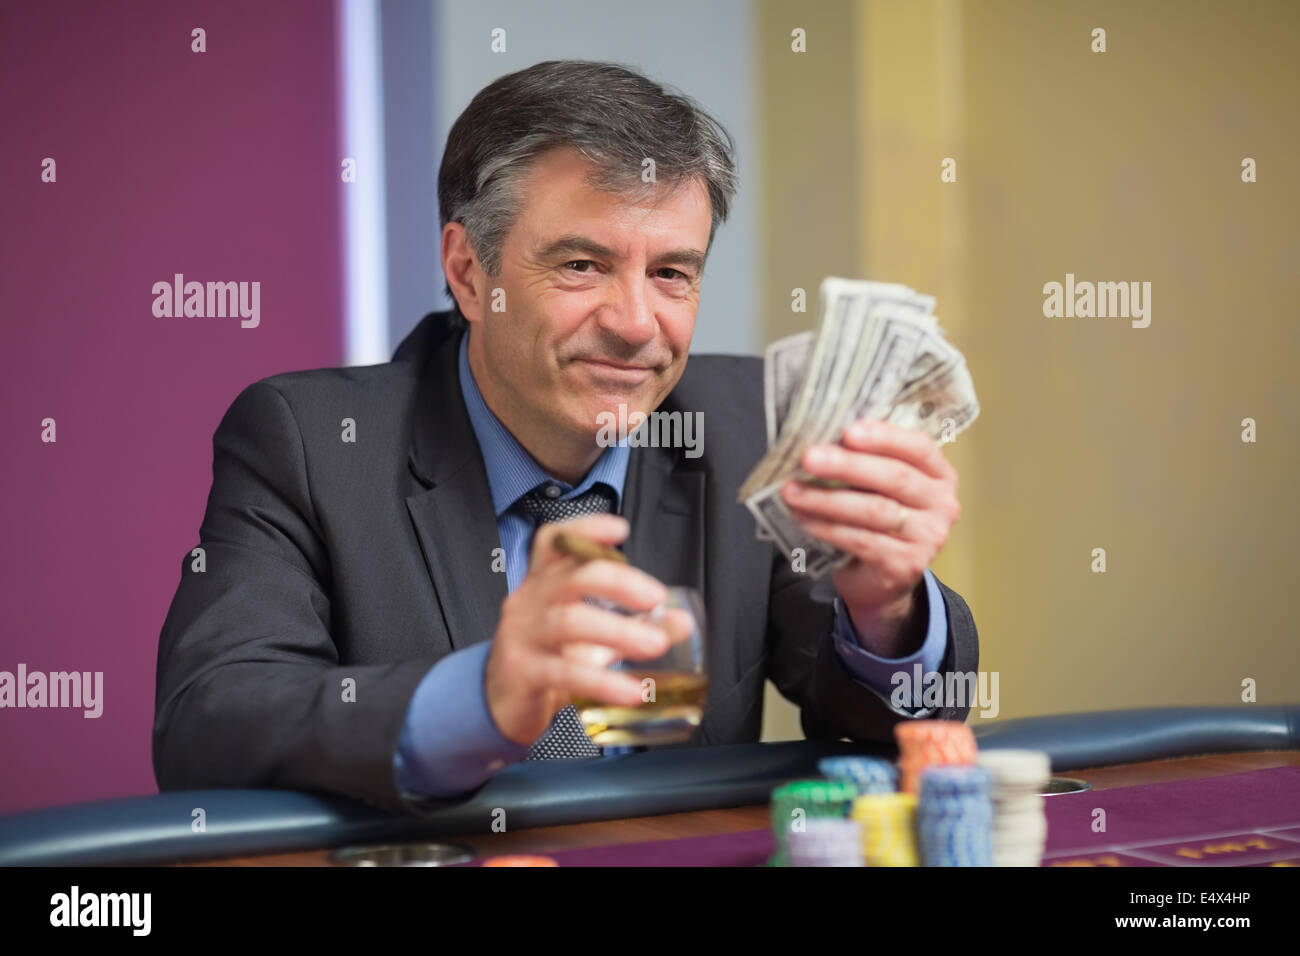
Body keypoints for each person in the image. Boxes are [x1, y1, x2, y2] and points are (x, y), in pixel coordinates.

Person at [153, 60, 977, 814]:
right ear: (470, 273)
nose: (634, 324)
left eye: (671, 274)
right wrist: (479, 696)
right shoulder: (308, 444)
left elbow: (888, 728)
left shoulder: (748, 426)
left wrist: (886, 610)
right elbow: (209, 722)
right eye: (581, 266)